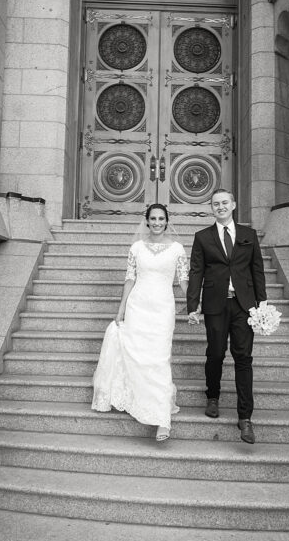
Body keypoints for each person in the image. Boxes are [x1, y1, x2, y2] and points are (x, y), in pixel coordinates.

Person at [92, 203, 189, 442]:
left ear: (167, 221)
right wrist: (121, 309)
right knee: (137, 356)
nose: (157, 222)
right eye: (153, 218)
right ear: (147, 221)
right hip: (138, 306)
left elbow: (184, 281)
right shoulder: (136, 247)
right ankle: (139, 400)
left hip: (163, 309)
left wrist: (193, 305)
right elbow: (129, 279)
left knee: (159, 359)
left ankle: (162, 419)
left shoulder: (177, 248)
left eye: (161, 218)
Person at [186, 188, 267, 444]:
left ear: (233, 204)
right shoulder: (202, 237)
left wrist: (262, 304)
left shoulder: (248, 235)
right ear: (211, 208)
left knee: (243, 358)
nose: (220, 206)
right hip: (215, 305)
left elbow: (257, 270)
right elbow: (196, 271)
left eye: (224, 202)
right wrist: (192, 305)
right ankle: (212, 396)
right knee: (216, 353)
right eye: (215, 204)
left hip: (244, 307)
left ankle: (245, 418)